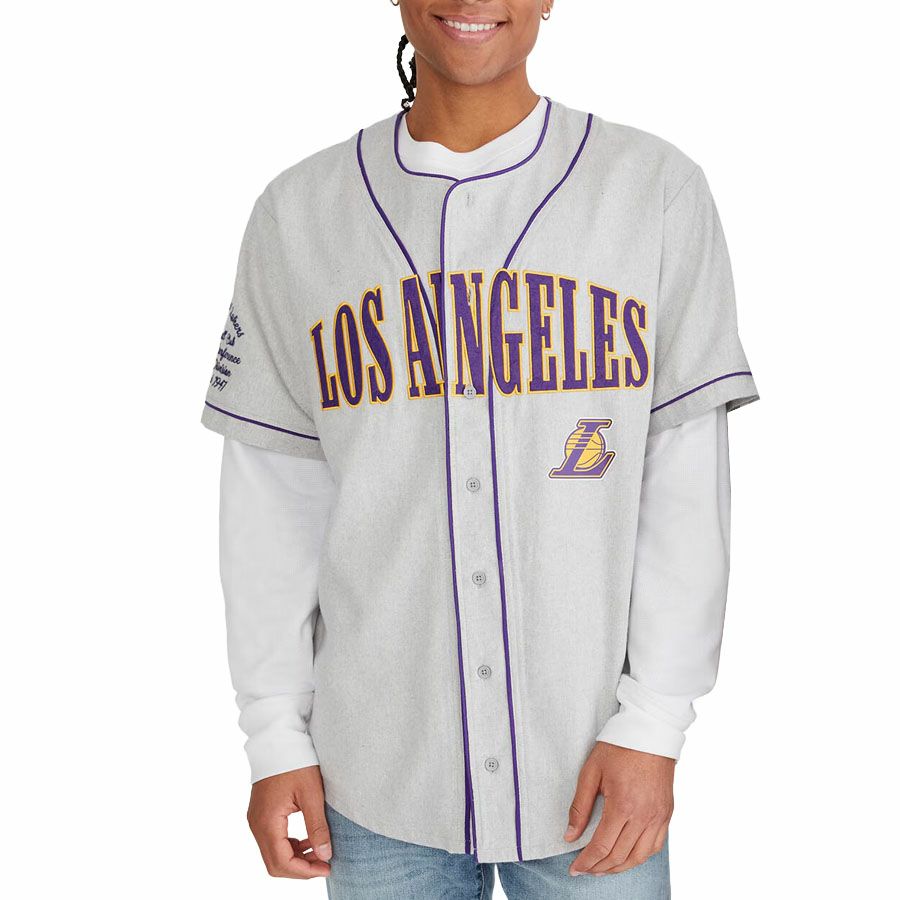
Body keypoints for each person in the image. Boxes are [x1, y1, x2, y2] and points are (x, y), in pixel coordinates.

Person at [200, 1, 759, 897]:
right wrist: (273, 733)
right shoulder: (298, 214)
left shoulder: (652, 190)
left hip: (594, 770)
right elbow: (273, 503)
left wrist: (655, 723)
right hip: (372, 775)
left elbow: (685, 485)